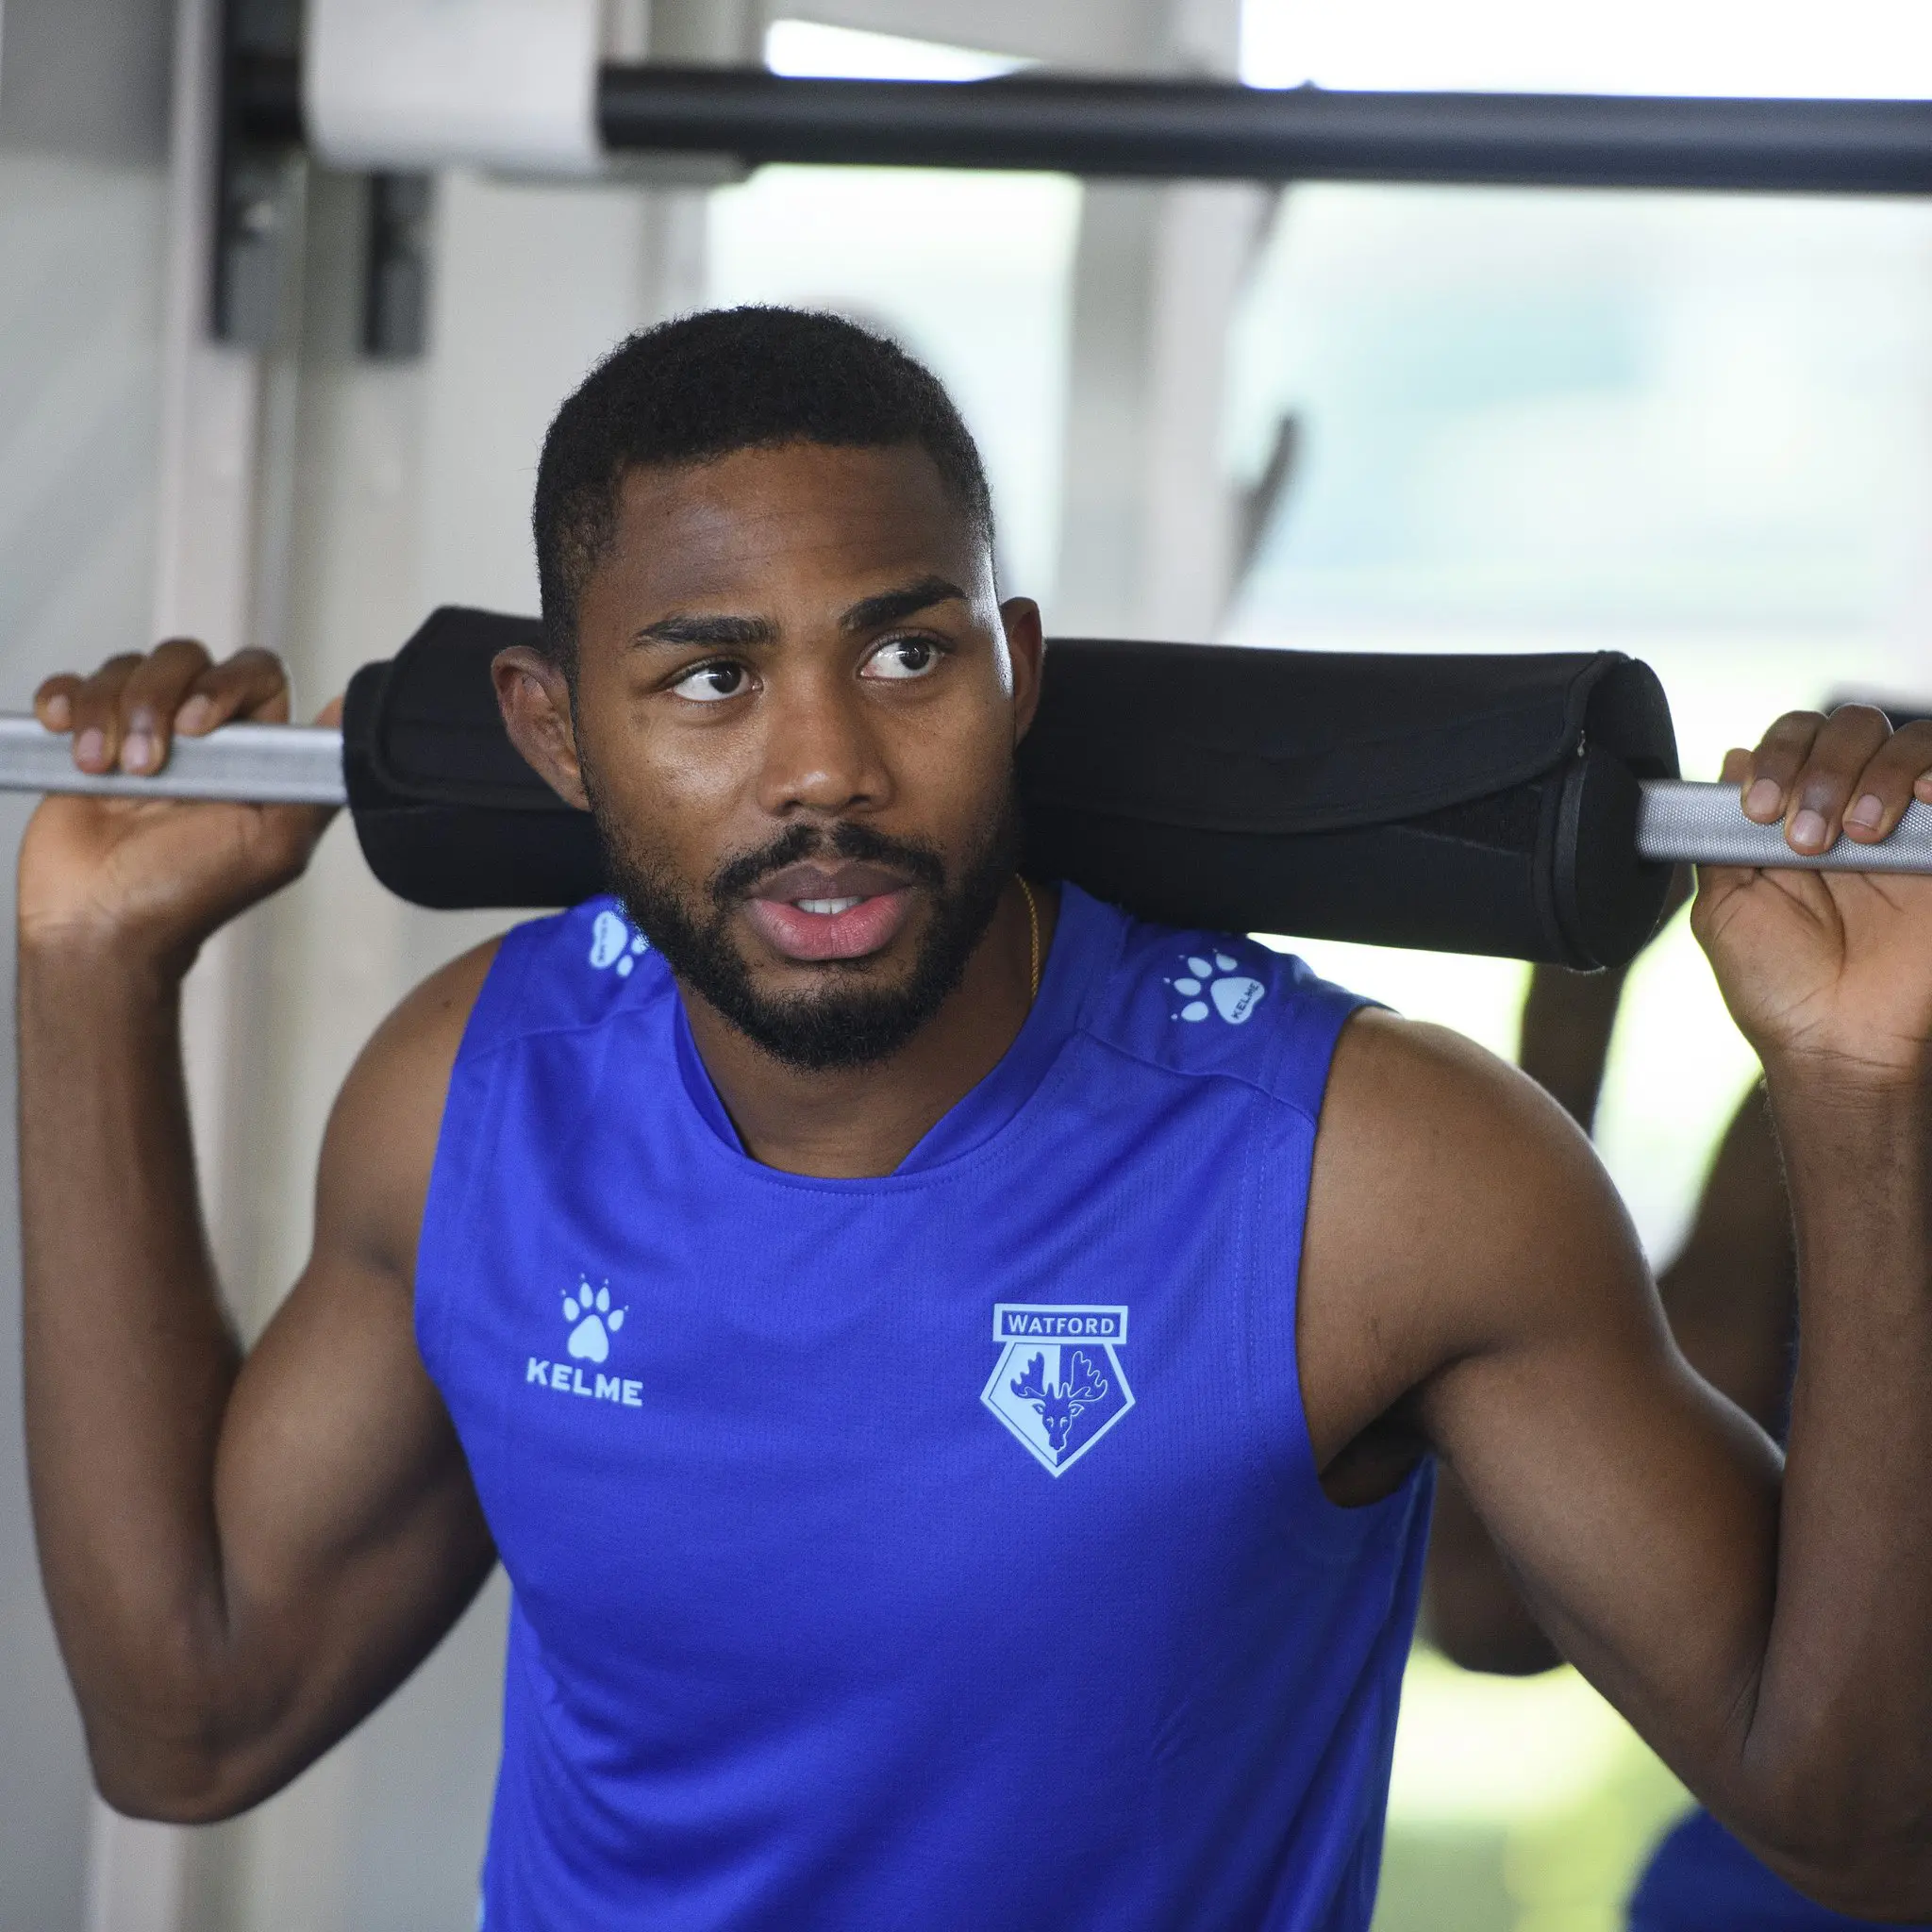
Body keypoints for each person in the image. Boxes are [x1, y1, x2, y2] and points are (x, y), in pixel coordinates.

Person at [18, 307, 1932, 1930]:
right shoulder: (469, 1097)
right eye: (709, 677)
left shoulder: (1375, 1172)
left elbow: (1853, 1824)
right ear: (550, 728)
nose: (825, 767)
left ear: (1013, 671)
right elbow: (189, 1725)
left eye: (906, 653)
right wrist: (88, 969)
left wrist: (1857, 1088)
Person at [1429, 886, 1932, 1931]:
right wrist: (1573, 985)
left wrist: (1573, 995)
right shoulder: (1876, 1089)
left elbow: (1487, 1614)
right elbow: (1490, 1609)